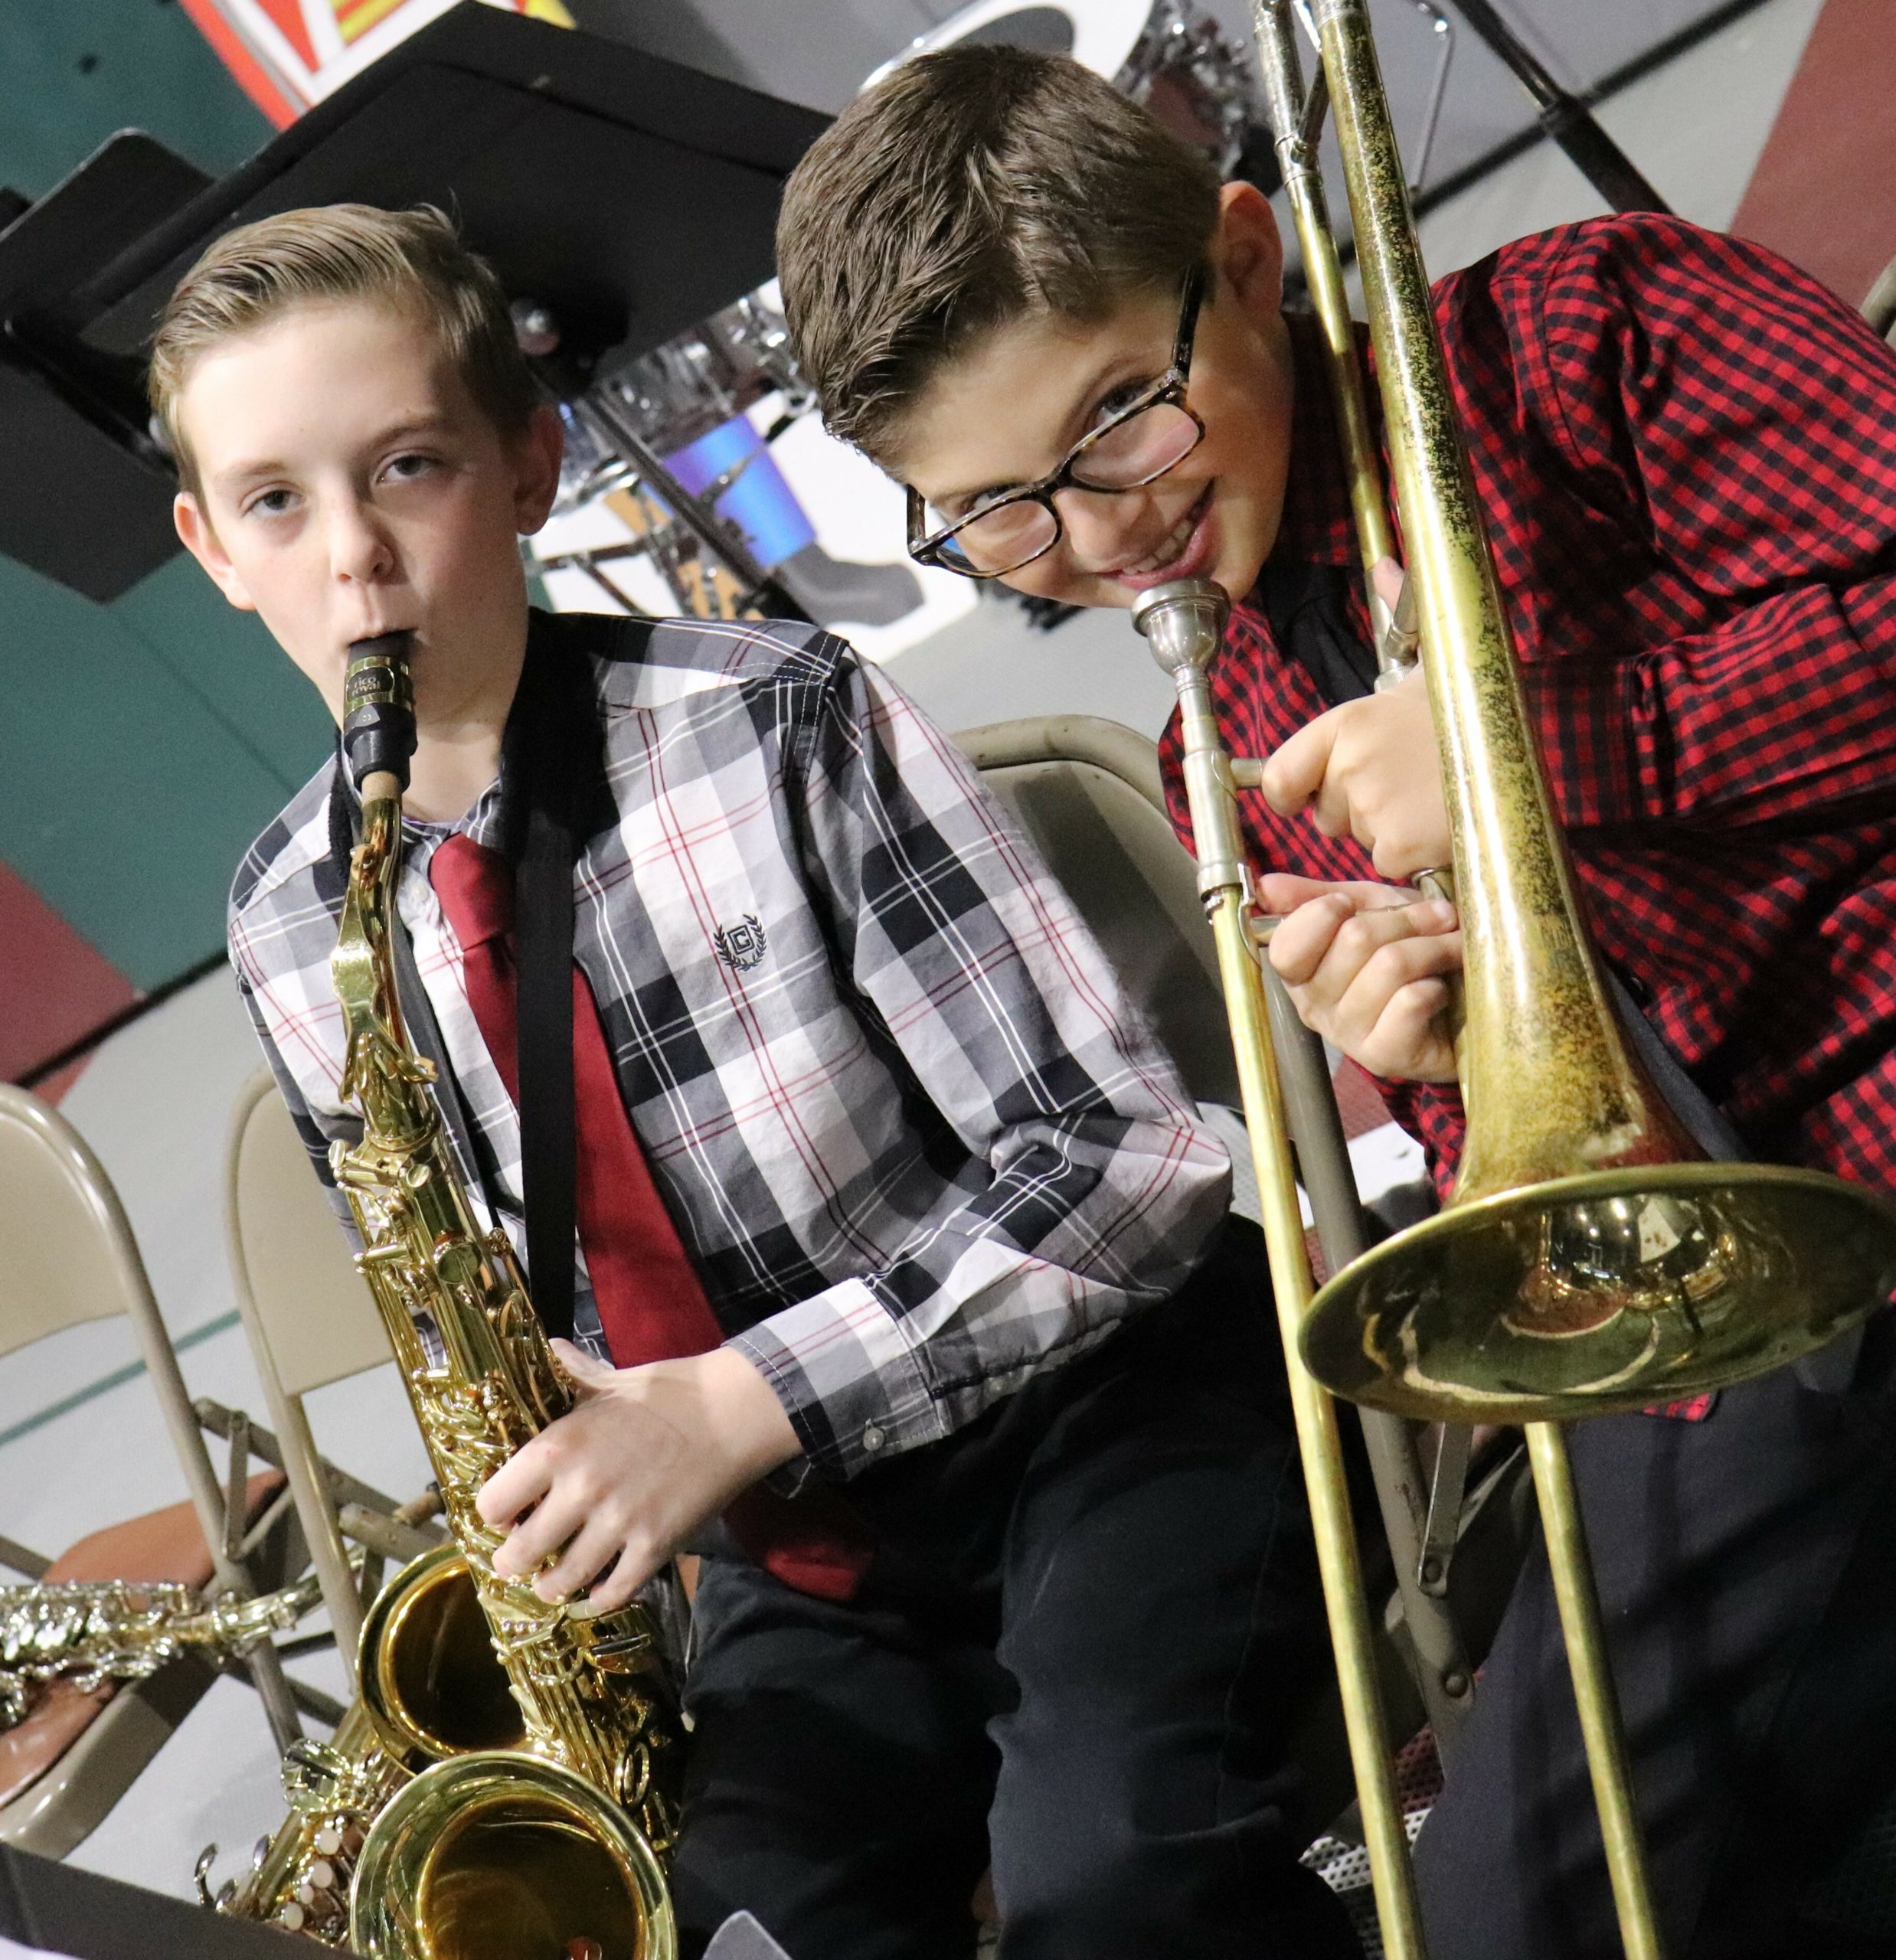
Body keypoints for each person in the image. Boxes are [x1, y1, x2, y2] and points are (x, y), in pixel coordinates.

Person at [774, 42, 1896, 1960]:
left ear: (1246, 254)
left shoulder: (1583, 337)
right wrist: (1443, 1059)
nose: (1099, 534)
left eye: (1120, 414)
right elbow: (1536, 1189)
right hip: (1710, 1341)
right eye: (997, 513)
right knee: (1517, 1905)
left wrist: (1536, 749)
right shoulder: (1214, 725)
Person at [155, 202, 1371, 1959]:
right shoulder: (292, 921)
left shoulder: (782, 716)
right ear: (211, 545)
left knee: (1111, 1874)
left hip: (1108, 1421)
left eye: (407, 465)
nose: (355, 559)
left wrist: (736, 1403)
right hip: (804, 1563)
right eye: (276, 500)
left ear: (527, 459)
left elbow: (1127, 1161)